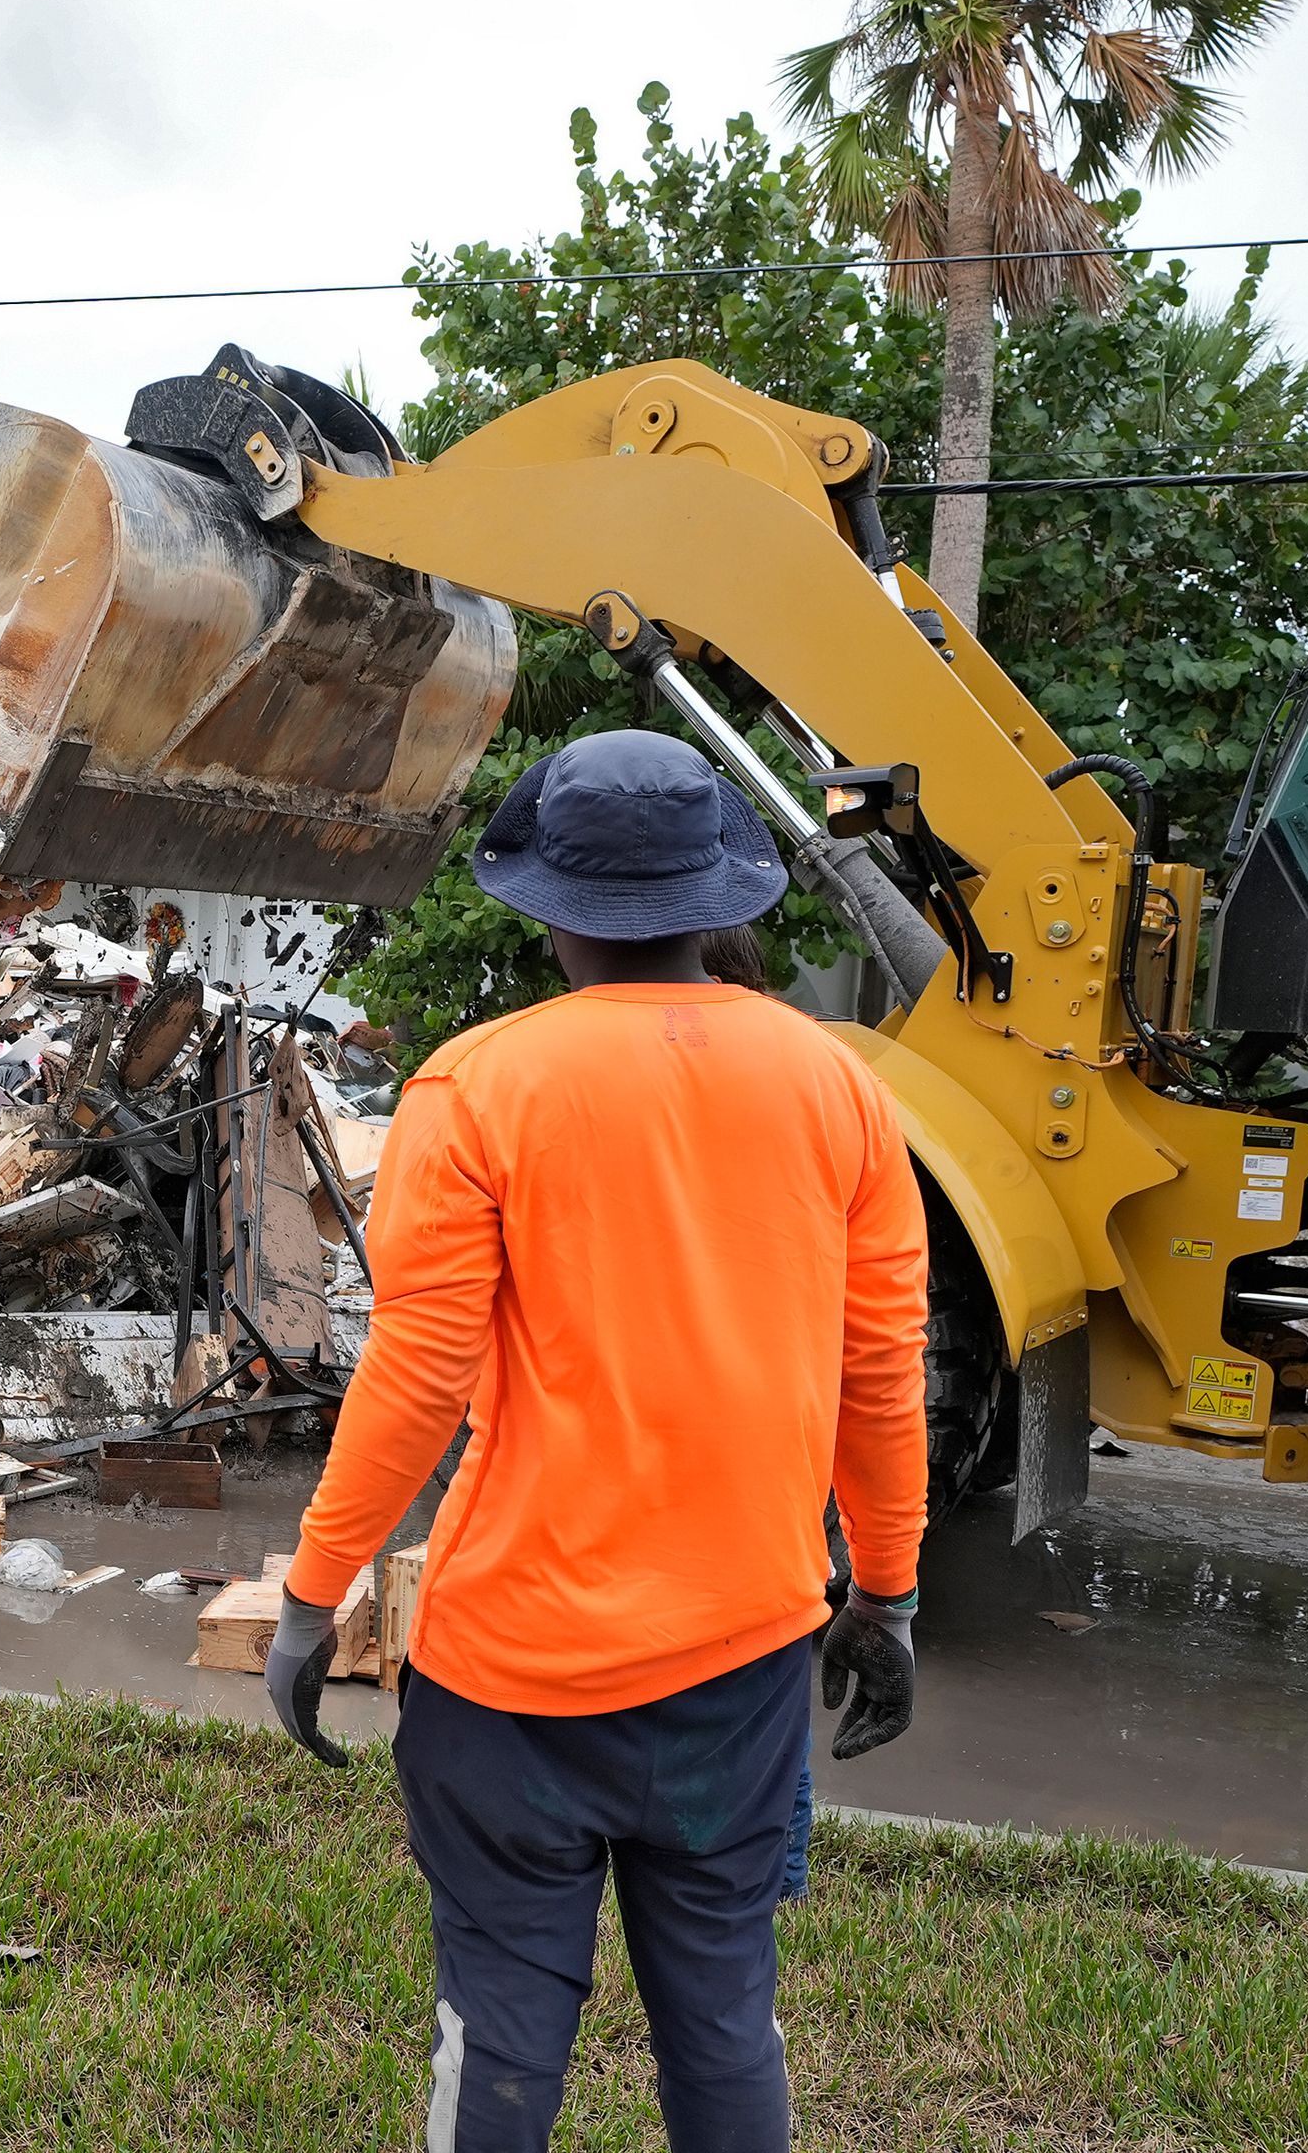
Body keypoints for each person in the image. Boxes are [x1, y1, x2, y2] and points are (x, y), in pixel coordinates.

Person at [266, 729, 929, 2153]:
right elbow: (881, 1375)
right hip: (741, 1669)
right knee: (723, 2023)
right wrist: (887, 1592)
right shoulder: (843, 1093)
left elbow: (416, 1377)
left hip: (512, 1677)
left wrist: (314, 1594)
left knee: (499, 2027)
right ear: (720, 900)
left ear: (553, 908)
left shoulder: (476, 1087)